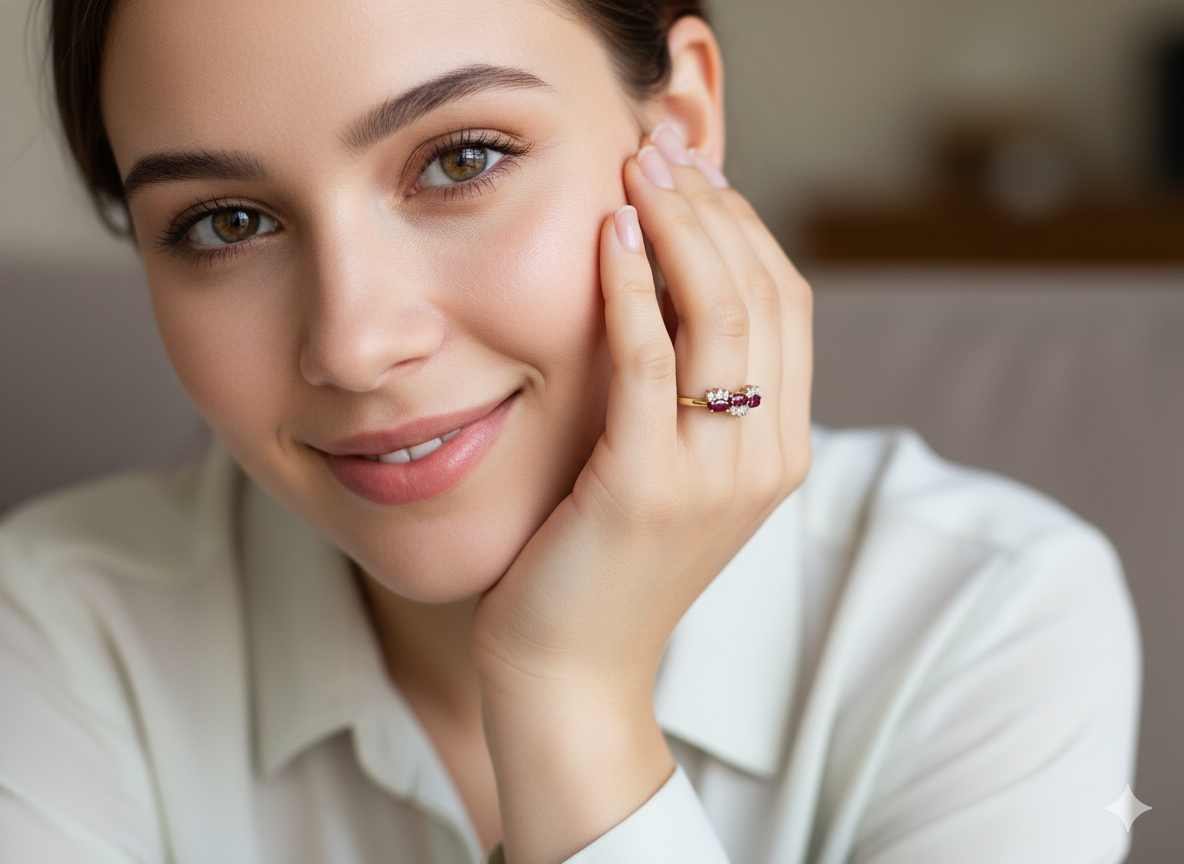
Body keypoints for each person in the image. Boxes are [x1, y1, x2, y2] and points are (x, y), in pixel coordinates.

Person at [0, 1, 1140, 862]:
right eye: (225, 222)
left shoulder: (984, 616)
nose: (352, 343)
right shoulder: (54, 630)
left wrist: (568, 700)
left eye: (461, 159)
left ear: (680, 131)